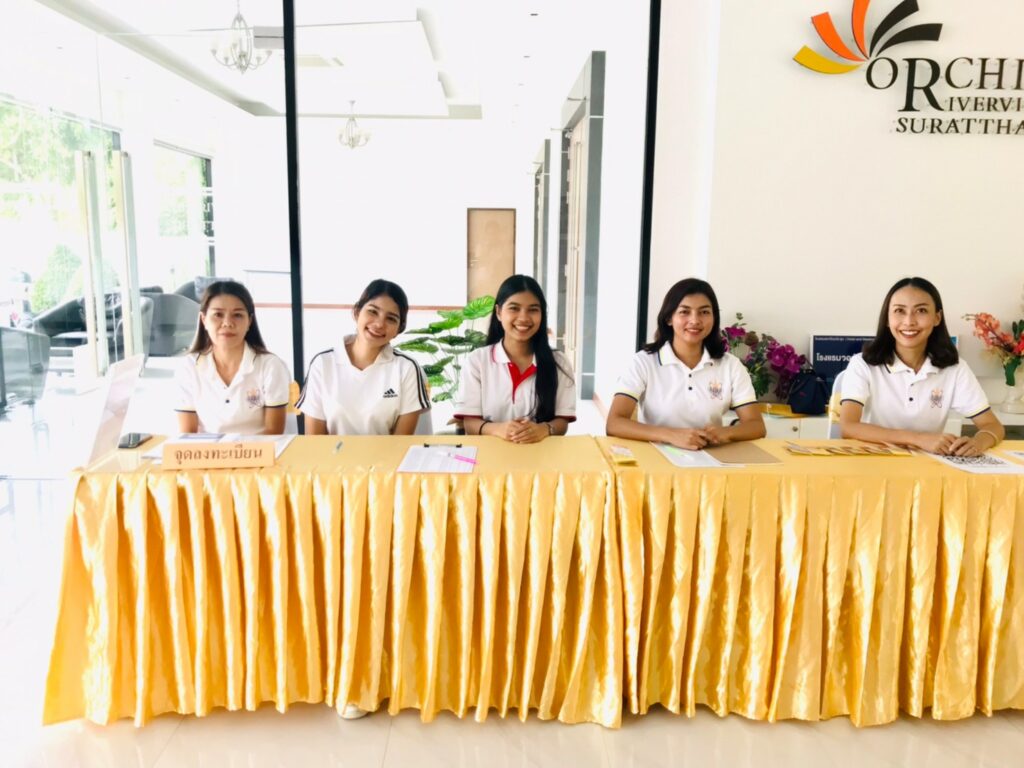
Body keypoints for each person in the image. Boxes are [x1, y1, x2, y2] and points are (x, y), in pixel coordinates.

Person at [839, 276, 1004, 455]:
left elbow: (992, 425)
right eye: (899, 311)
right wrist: (918, 438)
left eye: (921, 311)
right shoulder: (862, 364)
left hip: (930, 464)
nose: (909, 321)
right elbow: (848, 427)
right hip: (874, 462)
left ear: (937, 318)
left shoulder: (955, 369)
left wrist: (978, 443)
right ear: (887, 318)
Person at [606, 278, 766, 448]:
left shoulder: (731, 365)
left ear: (714, 318)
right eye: (684, 312)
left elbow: (756, 425)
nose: (695, 320)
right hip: (656, 457)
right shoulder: (643, 362)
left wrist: (725, 433)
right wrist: (670, 435)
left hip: (711, 457)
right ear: (669, 318)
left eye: (704, 312)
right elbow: (614, 423)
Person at [298, 279, 429, 436]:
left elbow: (401, 442)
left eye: (391, 319)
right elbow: (315, 440)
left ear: (398, 330)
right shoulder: (323, 363)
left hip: (388, 453)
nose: (379, 324)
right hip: (331, 453)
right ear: (357, 312)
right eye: (373, 311)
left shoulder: (406, 368)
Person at [455, 275, 575, 441]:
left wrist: (544, 429)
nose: (524, 318)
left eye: (533, 309)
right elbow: (470, 424)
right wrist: (499, 429)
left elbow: (562, 421)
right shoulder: (477, 361)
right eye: (514, 308)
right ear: (499, 312)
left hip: (540, 453)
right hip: (491, 453)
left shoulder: (559, 362)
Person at [175, 280, 290, 435]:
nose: (227, 323)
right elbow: (188, 434)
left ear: (249, 321)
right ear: (204, 320)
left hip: (257, 449)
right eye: (218, 314)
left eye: (237, 315)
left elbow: (273, 432)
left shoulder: (271, 366)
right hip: (206, 450)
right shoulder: (188, 366)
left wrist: (237, 449)